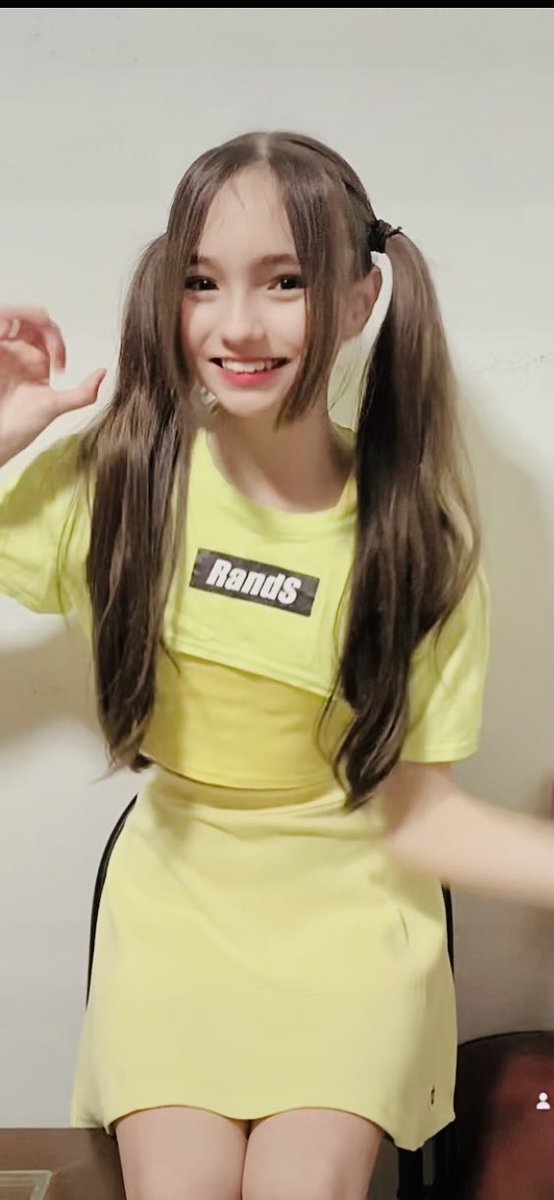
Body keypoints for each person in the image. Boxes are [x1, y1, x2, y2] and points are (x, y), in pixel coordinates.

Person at [0, 130, 553, 1200]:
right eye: (202, 281)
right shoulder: (120, 477)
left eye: (285, 282)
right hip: (176, 904)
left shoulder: (416, 542)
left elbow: (422, 822)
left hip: (352, 914)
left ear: (358, 300)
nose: (238, 325)